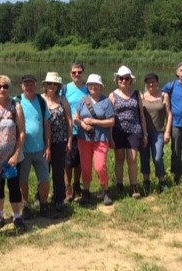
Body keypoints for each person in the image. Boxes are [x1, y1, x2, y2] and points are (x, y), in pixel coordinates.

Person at [0, 75, 27, 232]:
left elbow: (22, 133)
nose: (2, 89)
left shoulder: (16, 106)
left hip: (13, 158)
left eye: (5, 86)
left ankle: (17, 217)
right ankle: (0, 216)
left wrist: (16, 155)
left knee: (15, 187)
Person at [73, 74, 116, 206]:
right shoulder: (83, 100)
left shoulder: (106, 102)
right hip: (83, 138)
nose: (93, 87)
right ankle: (86, 192)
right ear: (88, 87)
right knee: (85, 167)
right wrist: (83, 124)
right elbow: (76, 118)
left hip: (101, 139)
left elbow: (111, 121)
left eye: (96, 85)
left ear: (101, 87)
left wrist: (94, 121)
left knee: (100, 166)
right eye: (91, 84)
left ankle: (105, 190)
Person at [110, 66, 148, 199]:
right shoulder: (112, 95)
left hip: (134, 130)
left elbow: (142, 115)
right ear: (117, 80)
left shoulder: (137, 94)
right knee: (119, 159)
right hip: (118, 130)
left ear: (130, 80)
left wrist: (145, 134)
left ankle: (134, 185)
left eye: (127, 78)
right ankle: (119, 184)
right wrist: (110, 137)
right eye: (121, 78)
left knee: (132, 159)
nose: (124, 81)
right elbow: (110, 117)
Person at [17, 74, 53, 219]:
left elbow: (47, 125)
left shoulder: (41, 101)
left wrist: (48, 146)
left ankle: (43, 205)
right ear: (22, 86)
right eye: (26, 84)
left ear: (36, 85)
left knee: (45, 179)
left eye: (31, 84)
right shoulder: (16, 101)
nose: (28, 86)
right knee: (22, 180)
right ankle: (26, 206)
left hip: (40, 149)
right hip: (23, 150)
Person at [41, 72, 72, 211]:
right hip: (43, 142)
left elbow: (69, 121)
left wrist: (70, 140)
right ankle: (41, 198)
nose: (52, 86)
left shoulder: (62, 100)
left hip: (60, 141)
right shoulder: (41, 100)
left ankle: (59, 199)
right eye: (49, 84)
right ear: (45, 85)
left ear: (58, 85)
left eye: (54, 84)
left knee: (58, 172)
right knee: (44, 172)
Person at [140, 72, 172, 192]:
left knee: (158, 157)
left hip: (158, 133)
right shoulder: (141, 97)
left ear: (158, 83)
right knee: (144, 157)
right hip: (144, 132)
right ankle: (146, 181)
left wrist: (167, 131)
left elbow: (169, 115)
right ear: (146, 84)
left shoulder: (164, 96)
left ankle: (162, 181)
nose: (151, 84)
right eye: (149, 82)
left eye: (153, 81)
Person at [63, 62, 88, 202]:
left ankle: (77, 184)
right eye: (74, 72)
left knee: (79, 161)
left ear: (83, 73)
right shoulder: (65, 89)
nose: (77, 74)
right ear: (70, 73)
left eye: (79, 72)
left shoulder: (88, 88)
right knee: (67, 161)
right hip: (69, 131)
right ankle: (68, 187)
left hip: (84, 131)